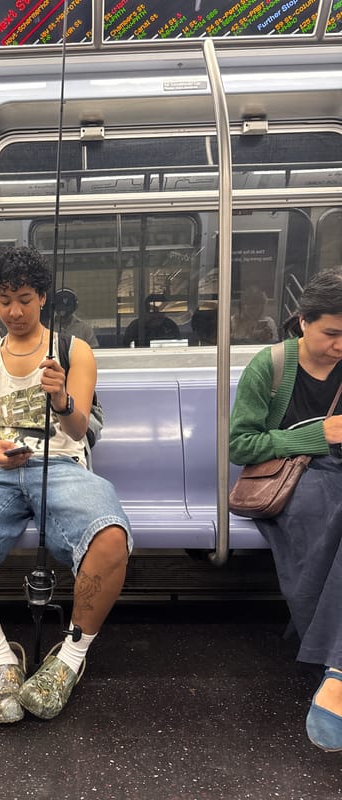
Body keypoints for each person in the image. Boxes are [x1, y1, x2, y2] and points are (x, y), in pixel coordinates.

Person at [0, 246, 132, 724]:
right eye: (3, 300)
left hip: (62, 465)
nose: (14, 311)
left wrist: (61, 398)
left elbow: (80, 430)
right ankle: (2, 659)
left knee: (110, 537)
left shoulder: (73, 352)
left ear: (42, 297)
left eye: (23, 298)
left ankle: (70, 659)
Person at [230, 267, 342, 752]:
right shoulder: (270, 365)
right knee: (321, 517)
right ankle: (334, 672)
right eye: (331, 334)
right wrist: (320, 435)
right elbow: (243, 444)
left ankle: (334, 664)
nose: (340, 346)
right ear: (303, 322)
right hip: (289, 478)